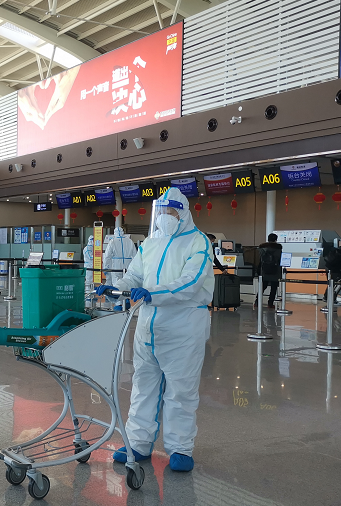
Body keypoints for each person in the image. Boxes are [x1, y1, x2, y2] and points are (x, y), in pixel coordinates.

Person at [96, 187, 214, 472]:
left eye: (170, 212)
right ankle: (138, 443)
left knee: (180, 392)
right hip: (147, 327)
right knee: (142, 387)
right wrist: (116, 289)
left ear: (183, 213)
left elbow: (191, 282)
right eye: (160, 212)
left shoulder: (197, 242)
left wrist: (153, 293)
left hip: (183, 328)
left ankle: (180, 448)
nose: (164, 217)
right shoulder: (151, 242)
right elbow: (135, 275)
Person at [256, 233, 282, 309]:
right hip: (275, 270)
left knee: (263, 287)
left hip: (264, 270)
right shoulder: (278, 248)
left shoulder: (262, 248)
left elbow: (259, 260)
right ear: (275, 239)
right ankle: (270, 303)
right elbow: (280, 259)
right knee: (274, 288)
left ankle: (257, 302)